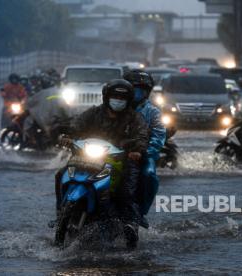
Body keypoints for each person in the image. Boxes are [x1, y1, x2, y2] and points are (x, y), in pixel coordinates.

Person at [56, 79, 148, 247]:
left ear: (128, 100)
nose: (118, 100)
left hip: (120, 159)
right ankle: (59, 213)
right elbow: (76, 124)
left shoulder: (134, 118)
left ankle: (131, 224)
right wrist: (68, 136)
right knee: (60, 175)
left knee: (127, 189)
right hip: (88, 156)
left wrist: (136, 150)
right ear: (106, 97)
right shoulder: (94, 113)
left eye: (122, 97)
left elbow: (142, 136)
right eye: (115, 96)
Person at [123, 69, 166, 225]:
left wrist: (146, 152)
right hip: (114, 153)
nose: (137, 93)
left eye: (140, 90)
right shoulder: (116, 108)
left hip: (142, 155)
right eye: (134, 89)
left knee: (148, 175)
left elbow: (159, 135)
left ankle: (140, 212)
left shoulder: (152, 112)